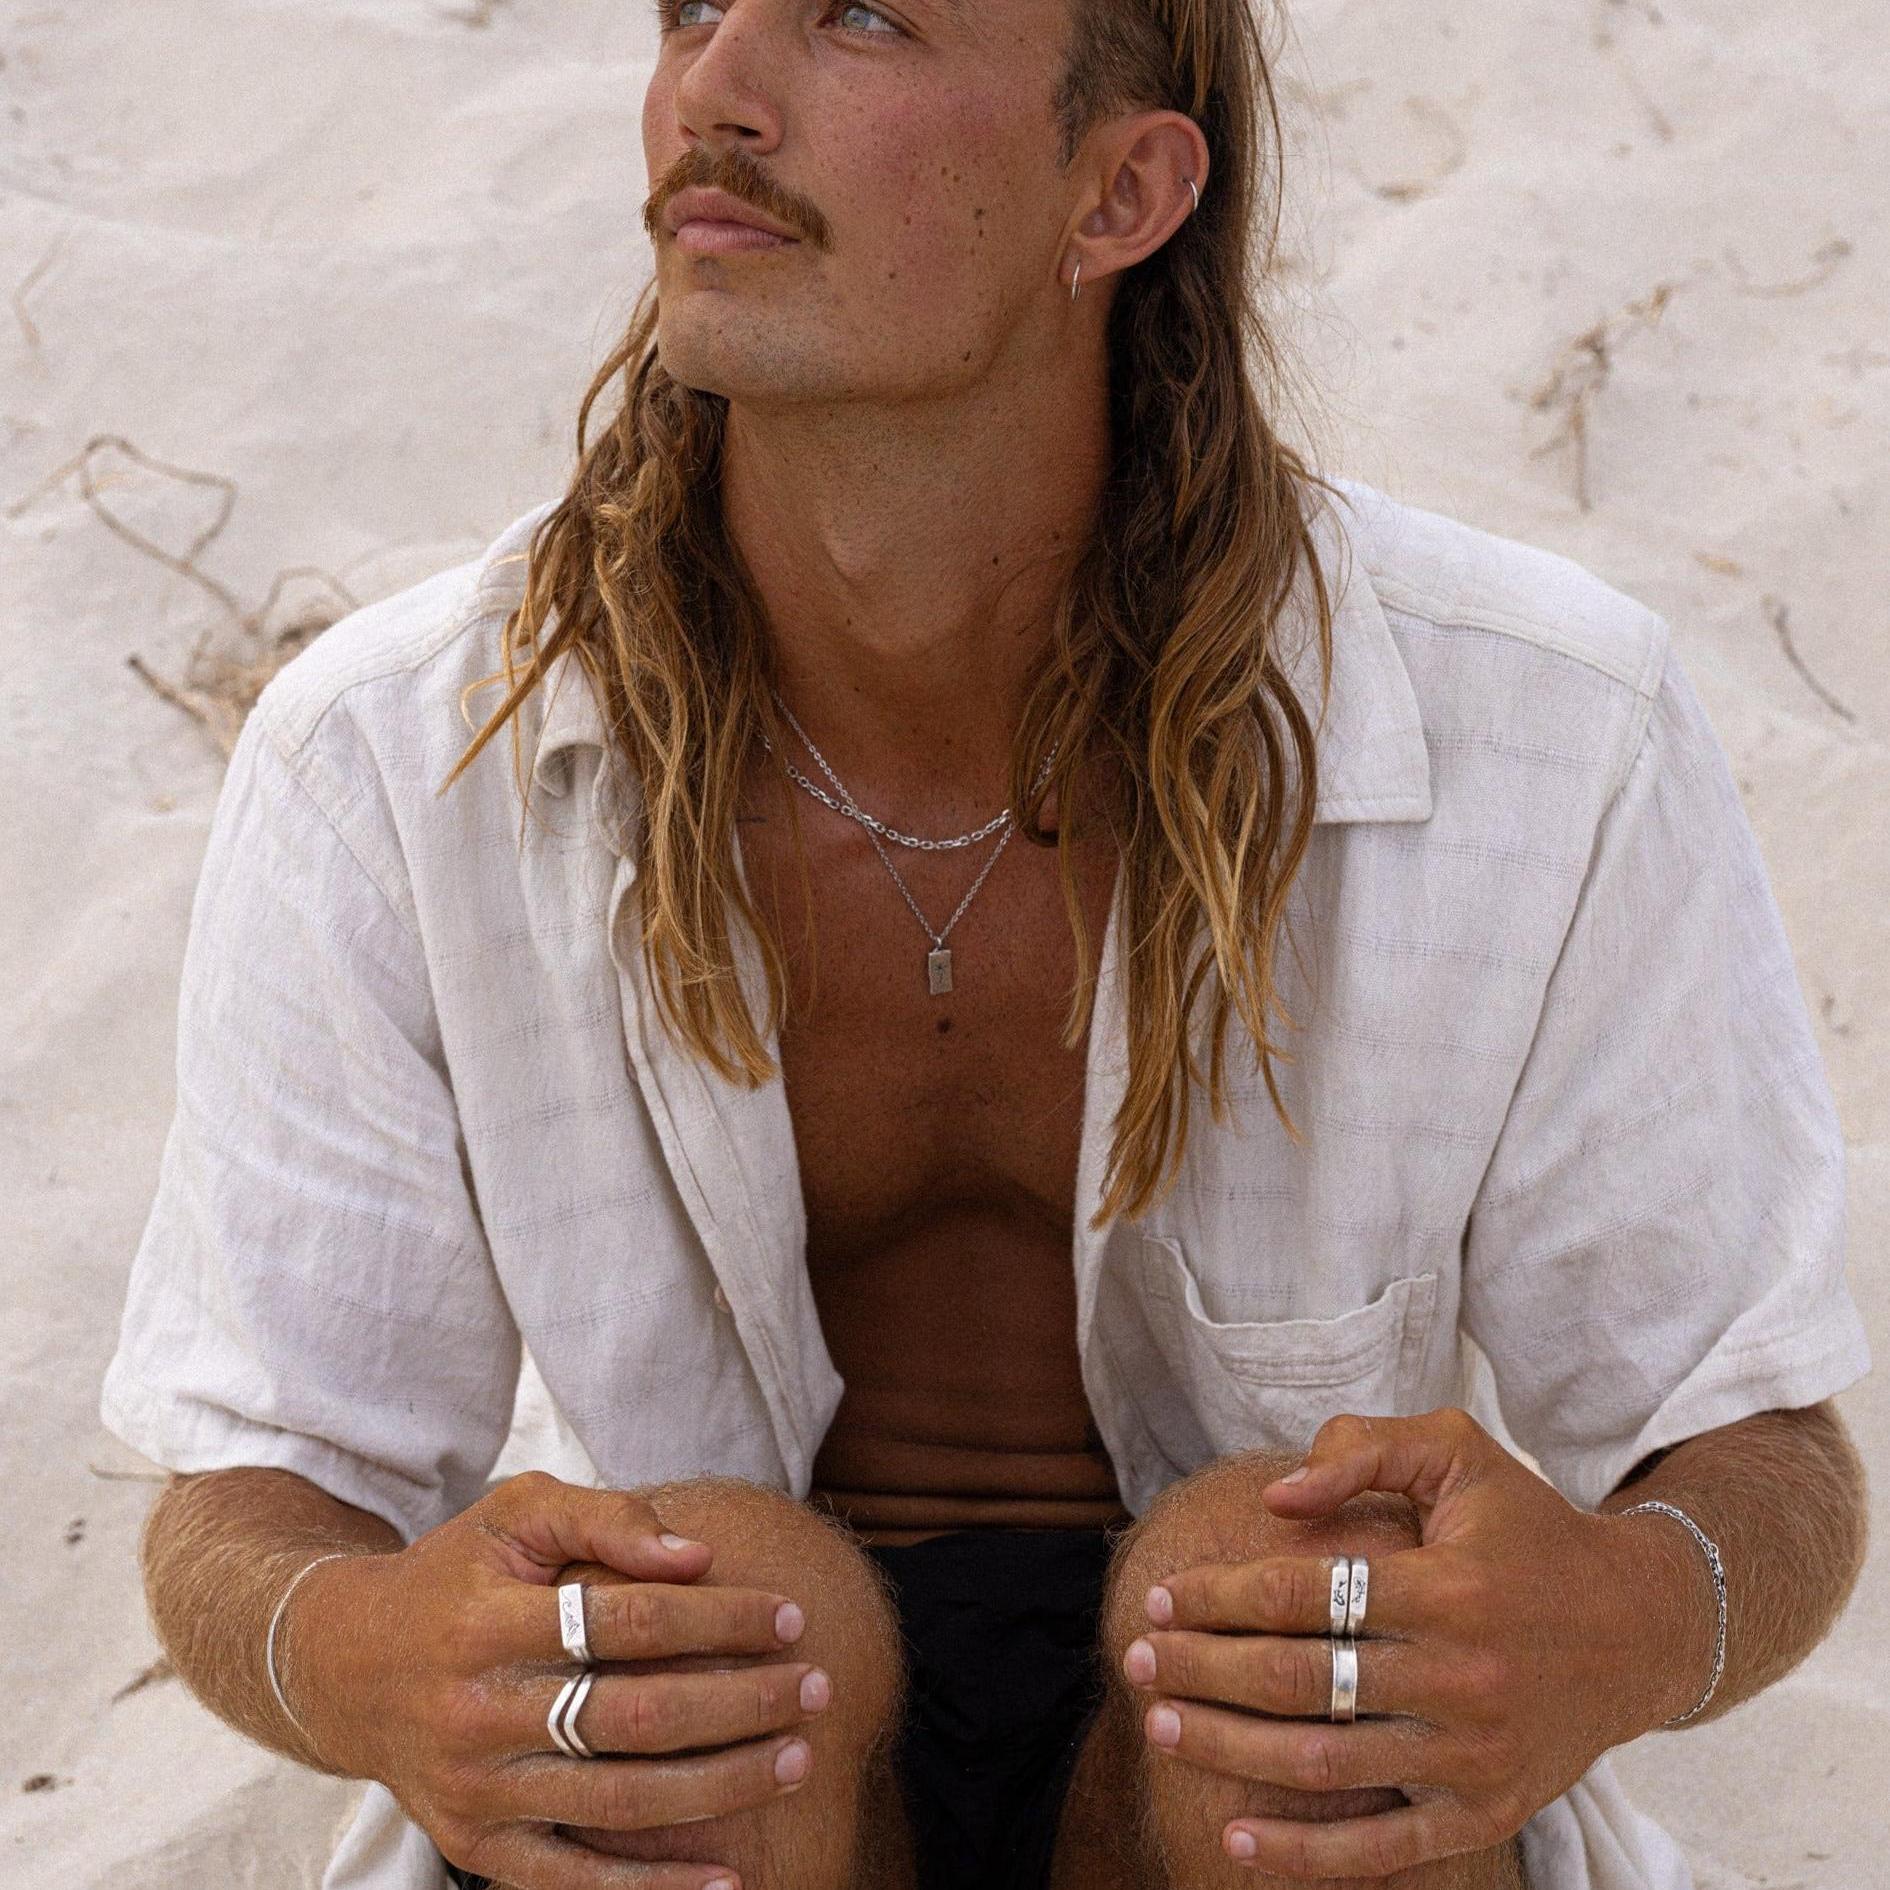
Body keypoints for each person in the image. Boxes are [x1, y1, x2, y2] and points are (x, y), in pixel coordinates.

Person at [100, 1, 1871, 1887]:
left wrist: (1617, 1615)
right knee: (721, 1617)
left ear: (1117, 189)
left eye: (856, 14)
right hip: (726, 1769)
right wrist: (359, 1653)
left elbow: (1749, 1444)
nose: (714, 85)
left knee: (1282, 1620)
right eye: (693, 7)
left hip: (1249, 1764)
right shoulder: (393, 746)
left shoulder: (1544, 724)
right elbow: (255, 1483)